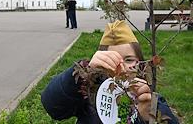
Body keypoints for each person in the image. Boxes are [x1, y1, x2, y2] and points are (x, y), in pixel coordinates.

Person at [41, 20, 179, 124]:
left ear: (140, 63)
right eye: (112, 60)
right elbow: (53, 107)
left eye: (129, 60)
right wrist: (83, 73)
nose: (122, 68)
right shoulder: (90, 96)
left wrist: (146, 117)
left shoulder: (147, 97)